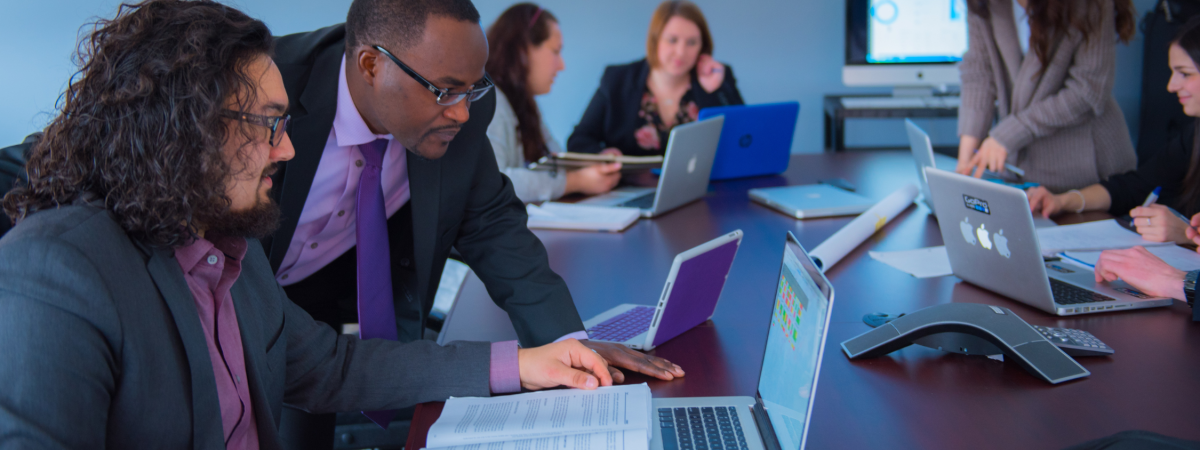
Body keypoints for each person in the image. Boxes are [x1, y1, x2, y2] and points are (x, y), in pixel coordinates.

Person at [0, 1, 612, 448]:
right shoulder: (61, 275)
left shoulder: (237, 267)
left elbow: (334, 365)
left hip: (293, 310)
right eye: (271, 125)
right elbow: (75, 147)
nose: (287, 148)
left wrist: (544, 360)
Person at [267, 0, 683, 445]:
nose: (463, 112)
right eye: (445, 91)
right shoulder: (264, 90)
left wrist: (568, 346)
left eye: (473, 88)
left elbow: (492, 223)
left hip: (327, 312)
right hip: (243, 291)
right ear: (371, 65)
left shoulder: (460, 110)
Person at [1028, 19, 1200, 245]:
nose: (1171, 86)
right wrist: (1063, 201)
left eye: (1185, 74)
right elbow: (1134, 186)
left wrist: (1186, 234)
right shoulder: (1193, 135)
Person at [957, 0, 1138, 192]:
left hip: (1088, 170)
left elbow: (1087, 92)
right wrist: (964, 164)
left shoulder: (1092, 4)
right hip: (1024, 174)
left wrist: (1007, 135)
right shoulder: (981, 4)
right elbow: (979, 76)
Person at [566, 0, 743, 157]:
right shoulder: (618, 80)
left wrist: (715, 91)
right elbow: (579, 140)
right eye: (672, 40)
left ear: (702, 46)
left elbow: (743, 138)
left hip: (702, 189)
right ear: (655, 40)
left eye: (691, 42)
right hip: (630, 187)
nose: (681, 52)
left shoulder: (718, 78)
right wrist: (602, 155)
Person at [485, 3, 621, 202]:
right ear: (523, 50)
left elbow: (555, 159)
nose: (562, 65)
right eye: (555, 51)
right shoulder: (492, 102)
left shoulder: (524, 102)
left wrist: (594, 163)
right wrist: (575, 181)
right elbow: (494, 181)